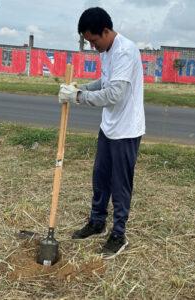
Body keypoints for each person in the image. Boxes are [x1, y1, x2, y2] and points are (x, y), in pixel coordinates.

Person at [58, 7, 145, 259]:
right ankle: (97, 222)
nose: (93, 46)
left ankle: (118, 234)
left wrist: (77, 96)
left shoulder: (125, 51)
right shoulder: (106, 50)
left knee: (120, 184)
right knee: (100, 178)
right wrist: (80, 86)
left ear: (106, 31)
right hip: (109, 127)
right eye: (88, 42)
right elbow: (104, 82)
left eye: (94, 41)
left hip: (126, 130)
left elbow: (113, 94)